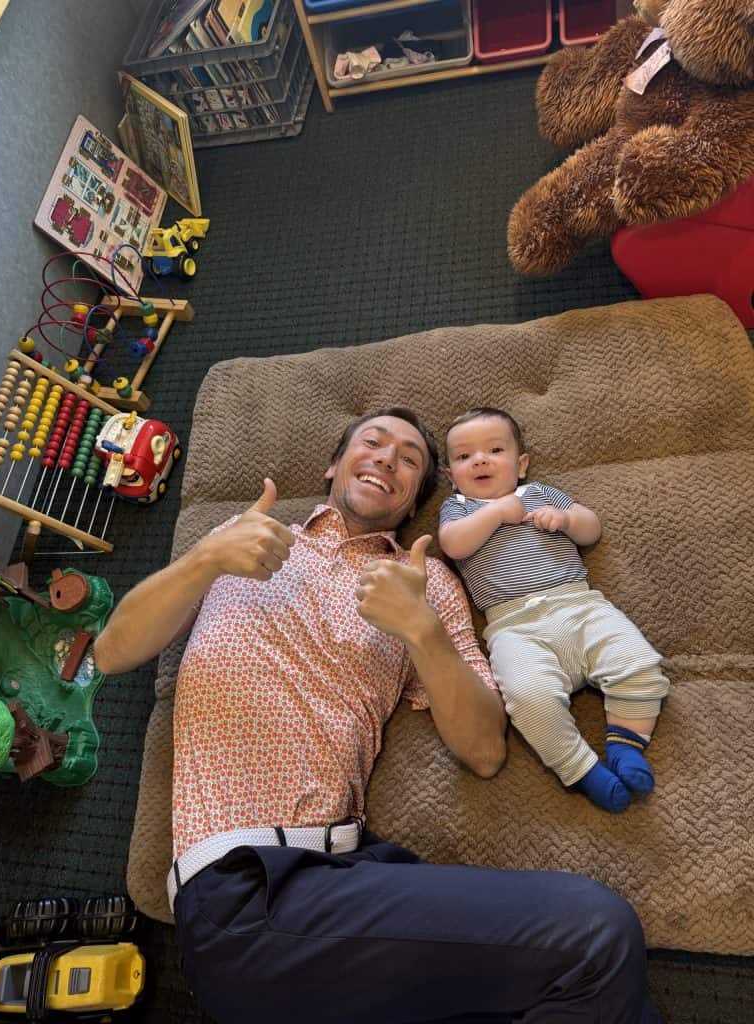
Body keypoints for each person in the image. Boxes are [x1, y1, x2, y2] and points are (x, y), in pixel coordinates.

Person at [95, 407, 662, 1024]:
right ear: (335, 464)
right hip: (247, 886)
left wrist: (423, 632)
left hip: (350, 872)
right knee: (595, 936)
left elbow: (485, 750)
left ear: (415, 496)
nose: (389, 457)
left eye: (411, 459)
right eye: (373, 442)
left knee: (579, 978)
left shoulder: (426, 584)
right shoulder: (245, 536)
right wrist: (205, 558)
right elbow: (112, 650)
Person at [439, 407, 670, 814]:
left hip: (580, 607)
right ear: (451, 475)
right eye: (464, 457)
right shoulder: (458, 508)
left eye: (494, 449)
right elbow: (454, 545)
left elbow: (591, 526)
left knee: (639, 664)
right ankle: (580, 769)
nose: (479, 460)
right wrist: (494, 512)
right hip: (514, 628)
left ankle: (626, 744)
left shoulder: (541, 493)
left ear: (521, 463)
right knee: (528, 699)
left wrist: (565, 519)